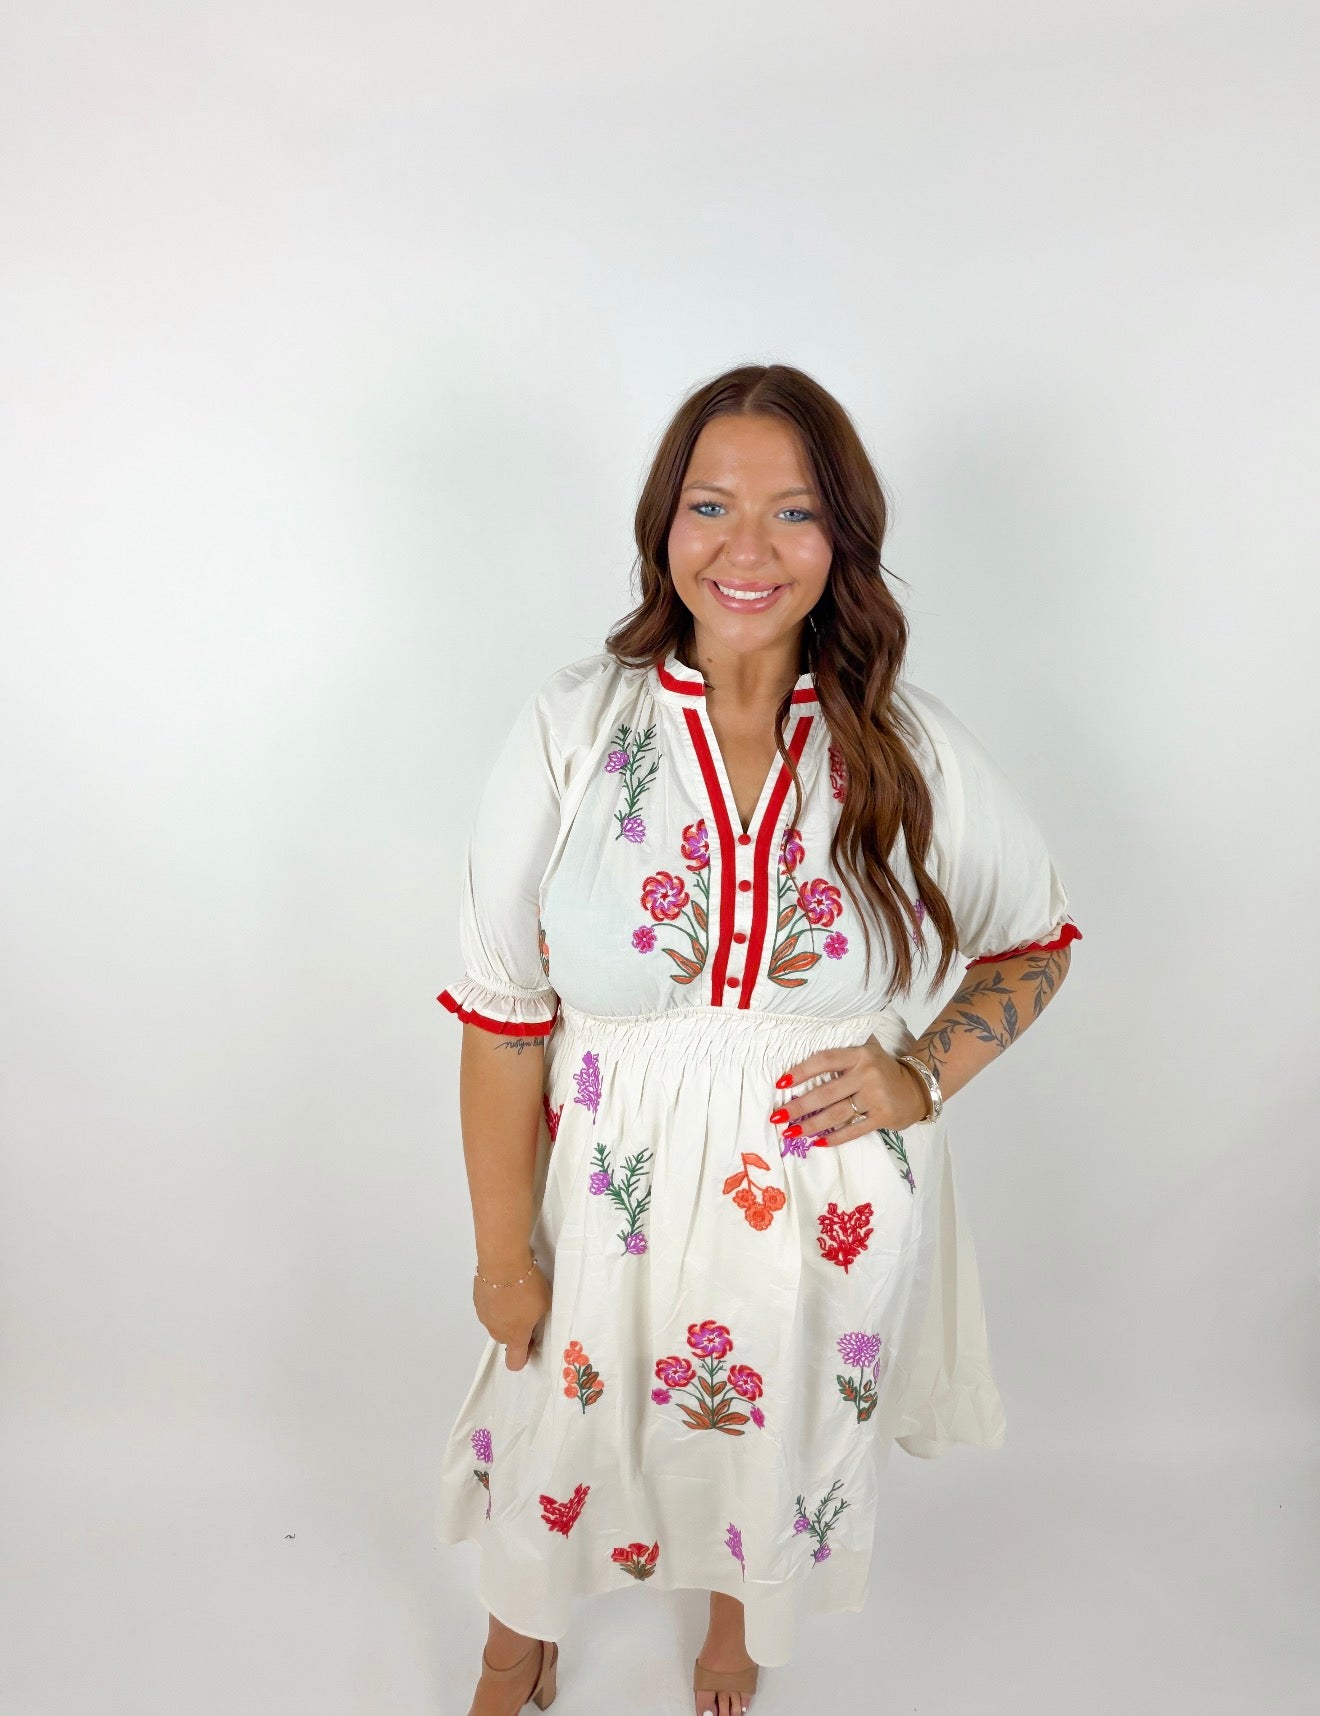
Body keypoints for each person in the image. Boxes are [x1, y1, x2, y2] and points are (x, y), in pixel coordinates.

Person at [433, 363, 1082, 1716]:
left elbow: (1036, 938)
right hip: (608, 1194)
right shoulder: (574, 728)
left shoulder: (899, 743)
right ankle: (519, 1640)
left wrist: (921, 1074)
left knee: (770, 1434)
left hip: (820, 1203)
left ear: (842, 538)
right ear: (661, 525)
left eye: (792, 513)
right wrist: (503, 1255)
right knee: (556, 1420)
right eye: (710, 505)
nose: (746, 548)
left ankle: (736, 1630)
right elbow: (503, 1020)